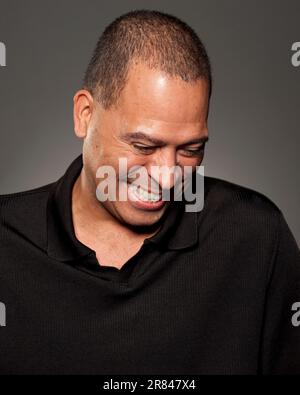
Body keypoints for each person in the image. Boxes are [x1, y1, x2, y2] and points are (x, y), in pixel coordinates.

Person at [0, 10, 299, 375]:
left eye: (190, 150)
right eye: (143, 146)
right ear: (84, 115)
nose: (168, 177)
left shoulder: (254, 236)